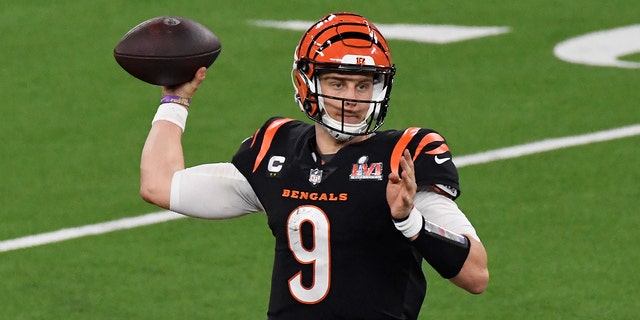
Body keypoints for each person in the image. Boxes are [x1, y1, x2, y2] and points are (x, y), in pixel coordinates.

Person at [140, 12, 488, 320]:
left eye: (363, 85)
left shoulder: (402, 159)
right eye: (338, 83)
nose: (352, 99)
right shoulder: (277, 151)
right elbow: (160, 185)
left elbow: (476, 275)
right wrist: (175, 99)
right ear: (305, 83)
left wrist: (410, 221)